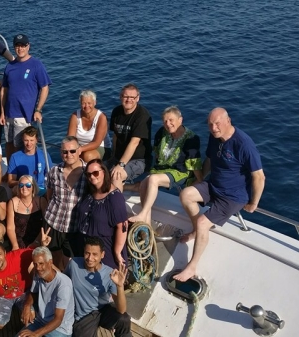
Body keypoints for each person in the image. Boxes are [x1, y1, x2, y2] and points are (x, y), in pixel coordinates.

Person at [174, 108, 265, 282]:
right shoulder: (214, 138)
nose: (214, 128)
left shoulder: (244, 144)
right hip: (214, 186)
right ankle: (197, 231)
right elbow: (209, 159)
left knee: (203, 222)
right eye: (210, 124)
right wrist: (201, 180)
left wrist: (254, 202)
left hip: (233, 196)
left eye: (217, 123)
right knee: (186, 194)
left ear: (228, 121)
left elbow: (259, 176)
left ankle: (191, 266)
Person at [129, 106, 203, 225]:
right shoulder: (162, 132)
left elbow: (193, 162)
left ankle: (143, 214)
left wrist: (200, 180)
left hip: (179, 172)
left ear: (180, 120)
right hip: (161, 170)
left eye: (171, 120)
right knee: (144, 184)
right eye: (165, 121)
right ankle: (146, 224)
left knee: (153, 179)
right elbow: (157, 154)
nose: (168, 124)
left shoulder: (191, 138)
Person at [0, 227, 51, 337]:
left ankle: (23, 322)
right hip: (4, 297)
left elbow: (35, 253)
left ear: (5, 253)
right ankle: (10, 314)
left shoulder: (17, 256)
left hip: (24, 292)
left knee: (31, 318)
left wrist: (42, 245)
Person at [65, 238, 131, 337]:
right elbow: (62, 280)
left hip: (102, 310)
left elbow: (121, 310)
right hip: (84, 317)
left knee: (124, 319)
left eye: (95, 254)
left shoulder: (110, 274)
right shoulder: (73, 264)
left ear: (102, 255)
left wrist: (120, 286)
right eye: (87, 253)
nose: (90, 258)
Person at [0, 34, 51, 161]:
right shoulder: (10, 66)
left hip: (24, 115)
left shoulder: (36, 65)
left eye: (23, 45)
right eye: (17, 46)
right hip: (8, 114)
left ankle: (20, 175)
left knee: (21, 147)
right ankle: (11, 174)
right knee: (9, 144)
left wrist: (38, 109)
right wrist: (2, 112)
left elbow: (45, 87)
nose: (20, 48)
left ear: (28, 46)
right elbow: (4, 90)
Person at [75, 159, 129, 269]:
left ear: (104, 172)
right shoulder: (90, 191)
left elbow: (122, 226)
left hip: (104, 248)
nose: (92, 177)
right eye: (88, 174)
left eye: (95, 173)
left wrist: (117, 252)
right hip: (85, 246)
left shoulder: (114, 197)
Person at [45, 136, 86, 270]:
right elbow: (49, 195)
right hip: (54, 223)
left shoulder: (89, 174)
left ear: (79, 151)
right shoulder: (54, 172)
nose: (69, 155)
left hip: (75, 227)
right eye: (65, 152)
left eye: (72, 151)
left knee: (73, 263)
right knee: (53, 259)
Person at [18, 246, 75, 337]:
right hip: (40, 321)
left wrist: (35, 334)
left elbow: (58, 320)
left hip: (60, 329)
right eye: (35, 264)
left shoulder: (63, 284)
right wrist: (27, 305)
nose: (38, 268)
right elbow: (33, 293)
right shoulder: (38, 275)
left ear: (50, 262)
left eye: (41, 263)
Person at [107, 84, 152, 192]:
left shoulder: (142, 116)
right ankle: (132, 187)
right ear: (120, 97)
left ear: (137, 98)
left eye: (132, 97)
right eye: (125, 96)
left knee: (116, 176)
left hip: (139, 159)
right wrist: (113, 156)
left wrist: (120, 165)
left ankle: (116, 207)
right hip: (118, 156)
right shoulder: (116, 112)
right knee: (96, 173)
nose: (128, 100)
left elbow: (134, 143)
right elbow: (115, 136)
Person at [6, 126, 53, 195]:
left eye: (31, 140)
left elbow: (51, 176)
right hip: (24, 189)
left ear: (36, 140)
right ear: (22, 139)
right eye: (26, 140)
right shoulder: (15, 157)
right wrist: (24, 183)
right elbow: (10, 182)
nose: (28, 144)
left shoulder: (45, 155)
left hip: (41, 189)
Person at [67, 90, 110, 162]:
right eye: (83, 103)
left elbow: (97, 143)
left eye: (89, 103)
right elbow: (70, 138)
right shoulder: (74, 116)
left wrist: (80, 149)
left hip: (99, 147)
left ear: (95, 103)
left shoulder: (101, 117)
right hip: (79, 148)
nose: (86, 106)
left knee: (88, 156)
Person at [6, 175, 47, 250]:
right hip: (18, 241)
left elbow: (46, 225)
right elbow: (10, 228)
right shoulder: (13, 202)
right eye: (21, 185)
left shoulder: (41, 201)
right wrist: (15, 245)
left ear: (33, 187)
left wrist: (37, 242)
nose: (24, 188)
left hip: (38, 240)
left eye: (28, 185)